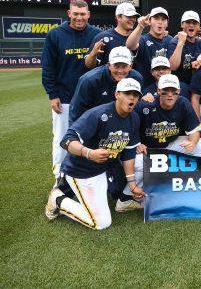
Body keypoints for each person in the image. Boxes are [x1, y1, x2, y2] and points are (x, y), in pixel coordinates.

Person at [44, 78, 142, 230]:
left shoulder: (134, 118)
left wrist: (132, 184)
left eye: (136, 95)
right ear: (117, 94)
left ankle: (118, 197)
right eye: (127, 93)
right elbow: (67, 141)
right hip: (82, 171)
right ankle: (58, 199)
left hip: (105, 169)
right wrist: (89, 153)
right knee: (101, 223)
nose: (132, 98)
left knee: (136, 166)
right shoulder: (98, 114)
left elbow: (129, 153)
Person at [117, 74, 201, 212]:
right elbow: (126, 129)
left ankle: (181, 188)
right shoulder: (144, 105)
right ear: (158, 91)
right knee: (138, 162)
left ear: (179, 91)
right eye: (165, 91)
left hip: (168, 145)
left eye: (173, 91)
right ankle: (126, 197)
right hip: (146, 150)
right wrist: (137, 143)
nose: (170, 95)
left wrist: (193, 142)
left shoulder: (183, 103)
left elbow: (195, 131)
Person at [42, 0, 102, 179]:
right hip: (65, 97)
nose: (79, 17)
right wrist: (53, 95)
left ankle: (91, 175)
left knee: (92, 137)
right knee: (62, 138)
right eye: (75, 14)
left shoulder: (97, 34)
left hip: (91, 99)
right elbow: (48, 67)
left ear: (89, 15)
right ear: (69, 14)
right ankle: (60, 178)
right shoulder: (55, 35)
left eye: (83, 14)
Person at [69, 46, 143, 125]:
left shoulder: (136, 79)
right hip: (93, 123)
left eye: (124, 66)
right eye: (116, 66)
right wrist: (76, 134)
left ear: (130, 66)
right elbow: (76, 112)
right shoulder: (89, 80)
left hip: (122, 124)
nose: (120, 71)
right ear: (109, 65)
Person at [125, 7, 174, 85]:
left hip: (165, 88)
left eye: (163, 19)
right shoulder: (143, 39)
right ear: (150, 21)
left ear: (167, 23)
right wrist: (140, 26)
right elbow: (130, 45)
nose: (160, 22)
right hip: (145, 88)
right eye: (156, 18)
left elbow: (173, 66)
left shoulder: (170, 40)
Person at [85, 2, 140, 68]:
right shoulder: (103, 38)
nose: (133, 19)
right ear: (119, 17)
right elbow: (89, 65)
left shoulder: (138, 38)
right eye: (129, 16)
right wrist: (93, 54)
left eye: (134, 16)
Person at [167, 10, 201, 84]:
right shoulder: (175, 42)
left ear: (198, 26)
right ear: (182, 24)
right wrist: (180, 43)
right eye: (188, 22)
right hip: (179, 86)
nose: (191, 25)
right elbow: (172, 67)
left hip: (196, 85)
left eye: (194, 23)